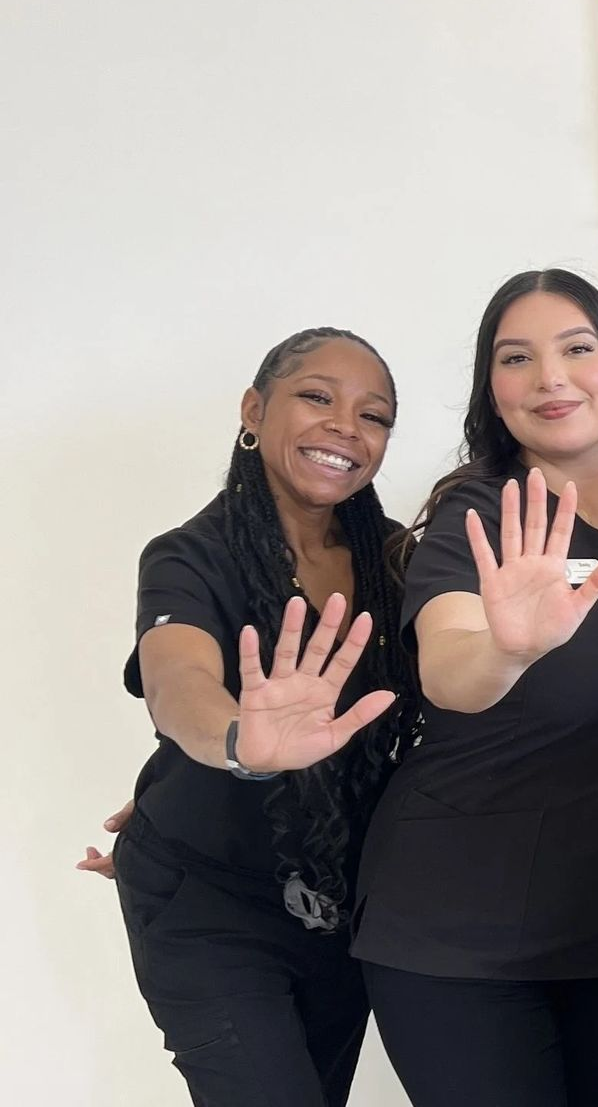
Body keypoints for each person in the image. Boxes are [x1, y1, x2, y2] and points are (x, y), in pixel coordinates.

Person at [351, 270, 598, 1106]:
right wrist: (505, 647)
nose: (550, 378)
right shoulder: (478, 513)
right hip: (457, 933)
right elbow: (448, 669)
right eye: (515, 358)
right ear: (492, 394)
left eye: (576, 348)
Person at [115, 327, 414, 1106]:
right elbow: (176, 679)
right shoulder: (188, 555)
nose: (347, 425)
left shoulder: (396, 562)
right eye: (317, 396)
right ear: (254, 408)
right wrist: (240, 742)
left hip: (341, 907)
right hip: (205, 899)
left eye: (374, 414)